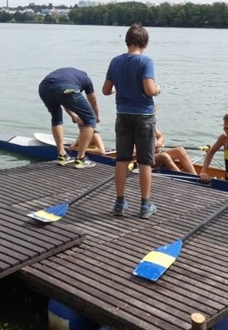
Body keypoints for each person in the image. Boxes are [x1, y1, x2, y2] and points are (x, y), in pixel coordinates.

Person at [103, 23, 161, 219]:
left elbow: (106, 90)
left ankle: (119, 203)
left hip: (123, 115)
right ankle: (145, 206)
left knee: (122, 160)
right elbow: (149, 90)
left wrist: (119, 88)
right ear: (145, 43)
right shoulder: (146, 61)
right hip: (144, 116)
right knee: (145, 162)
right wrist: (158, 89)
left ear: (127, 41)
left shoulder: (115, 61)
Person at [38, 67, 100, 168]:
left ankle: (62, 156)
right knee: (90, 119)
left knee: (56, 118)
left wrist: (73, 115)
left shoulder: (69, 74)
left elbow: (64, 100)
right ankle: (80, 159)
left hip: (44, 88)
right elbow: (94, 101)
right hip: (65, 88)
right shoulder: (87, 80)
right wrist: (97, 116)